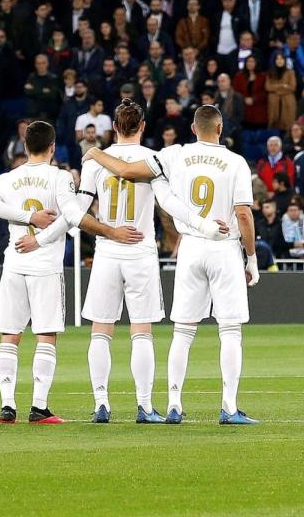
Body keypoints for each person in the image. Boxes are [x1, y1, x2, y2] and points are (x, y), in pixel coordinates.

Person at [83, 105, 260, 425]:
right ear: (220, 129)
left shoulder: (175, 154)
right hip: (223, 247)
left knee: (183, 330)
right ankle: (229, 408)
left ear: (193, 128)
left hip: (189, 247)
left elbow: (126, 170)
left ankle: (174, 403)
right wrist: (252, 256)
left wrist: (96, 154)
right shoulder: (236, 162)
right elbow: (244, 214)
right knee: (230, 330)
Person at [0, 121, 129, 424]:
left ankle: (7, 405)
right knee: (45, 335)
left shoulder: (7, 180)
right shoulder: (59, 177)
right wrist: (108, 232)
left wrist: (27, 220)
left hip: (14, 262)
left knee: (10, 336)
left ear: (25, 146)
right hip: (45, 266)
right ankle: (38, 407)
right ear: (52, 148)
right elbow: (73, 216)